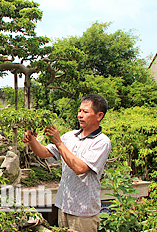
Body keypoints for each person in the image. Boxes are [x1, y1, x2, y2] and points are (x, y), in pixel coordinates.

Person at [22, 94, 111, 232]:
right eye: (79, 111)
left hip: (84, 211)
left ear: (99, 116)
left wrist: (58, 142)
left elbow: (79, 168)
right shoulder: (70, 136)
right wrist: (32, 140)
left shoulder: (101, 142)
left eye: (85, 112)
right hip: (64, 205)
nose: (80, 115)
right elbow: (44, 153)